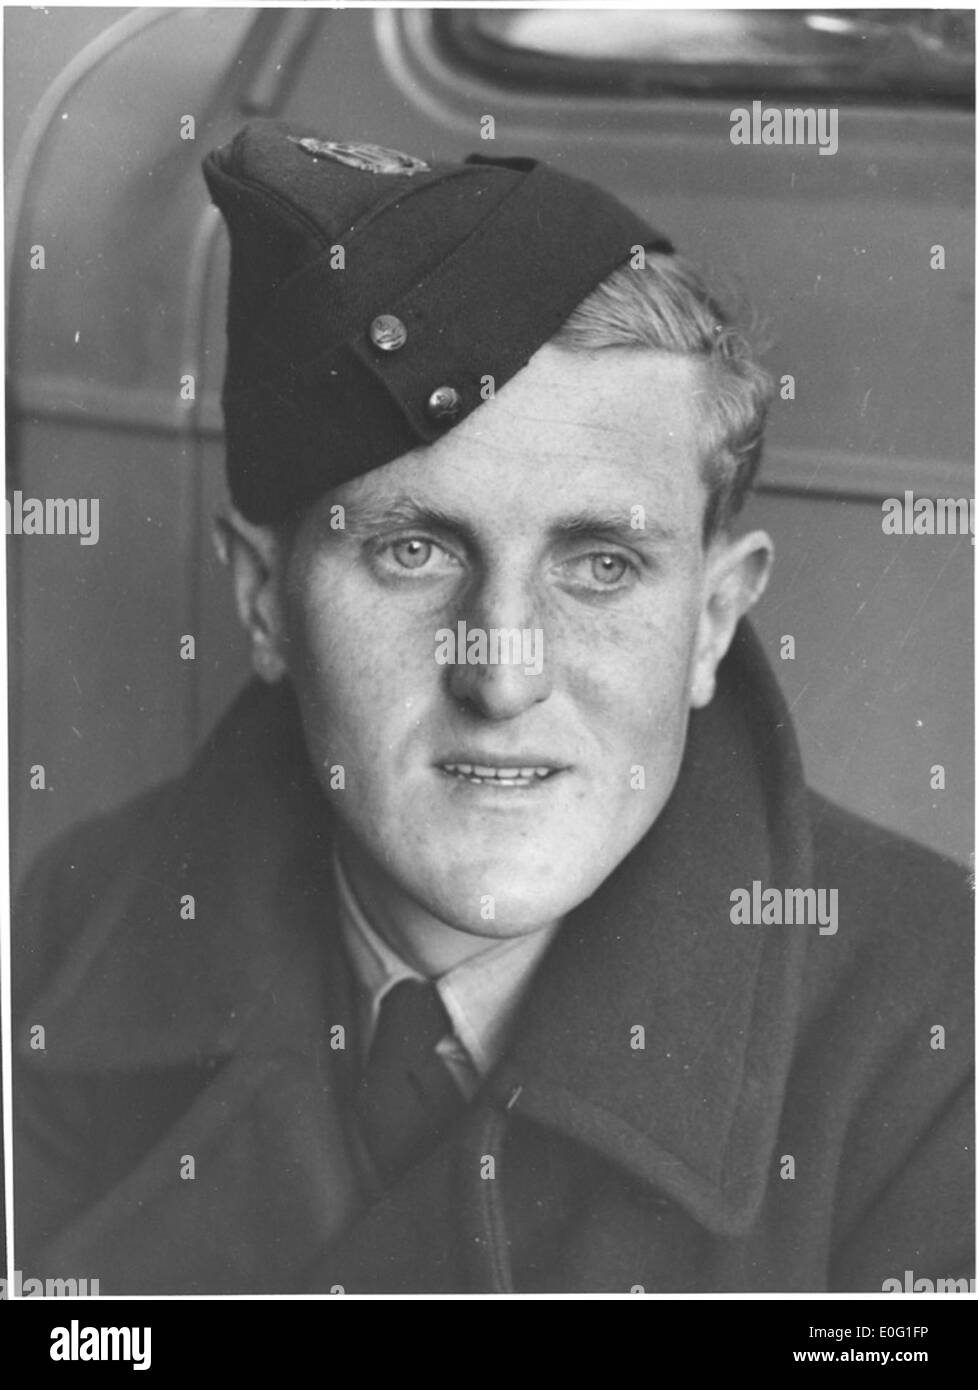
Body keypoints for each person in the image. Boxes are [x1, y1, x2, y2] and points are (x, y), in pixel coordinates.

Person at [13, 121, 973, 1295]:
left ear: (714, 621)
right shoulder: (55, 946)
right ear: (264, 603)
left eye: (601, 565)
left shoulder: (938, 1045)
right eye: (413, 549)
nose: (502, 670)